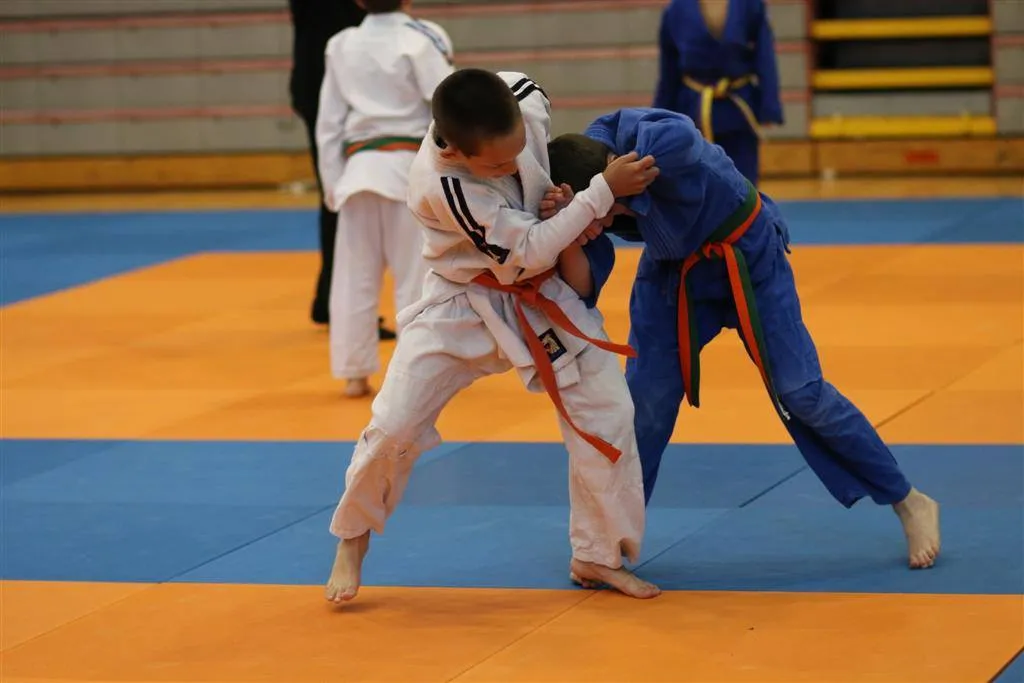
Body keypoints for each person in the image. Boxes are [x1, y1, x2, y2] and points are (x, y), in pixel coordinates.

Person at [544, 107, 942, 570]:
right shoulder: (587, 186)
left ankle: (908, 500)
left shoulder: (648, 152)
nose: (599, 225)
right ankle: (610, 535)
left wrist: (622, 174)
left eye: (601, 213)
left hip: (748, 255)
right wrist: (572, 224)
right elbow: (584, 283)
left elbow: (680, 133)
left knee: (801, 391)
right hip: (674, 274)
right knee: (644, 403)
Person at [324, 69, 663, 605]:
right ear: (455, 151)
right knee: (394, 425)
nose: (513, 166)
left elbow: (545, 182)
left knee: (609, 411)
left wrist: (568, 189)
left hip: (541, 296)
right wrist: (601, 192)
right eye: (497, 166)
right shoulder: (444, 184)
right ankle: (353, 534)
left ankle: (598, 553)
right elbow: (530, 249)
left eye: (518, 150)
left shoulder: (524, 98)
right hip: (463, 299)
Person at [316, 0, 455, 397]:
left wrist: (332, 183)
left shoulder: (341, 44)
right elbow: (448, 106)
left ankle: (354, 374)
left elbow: (329, 123)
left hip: (358, 172)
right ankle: (416, 372)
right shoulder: (423, 37)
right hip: (409, 170)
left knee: (353, 278)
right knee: (417, 277)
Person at [287, 0, 393, 338]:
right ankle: (344, 308)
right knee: (346, 203)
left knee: (339, 200)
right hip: (341, 88)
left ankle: (333, 302)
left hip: (326, 82)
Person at [652, 0, 783, 185]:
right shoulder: (676, 9)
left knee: (743, 185)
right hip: (693, 112)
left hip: (738, 110)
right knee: (697, 186)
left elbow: (765, 56)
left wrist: (769, 106)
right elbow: (669, 71)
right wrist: (660, 117)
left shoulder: (751, 5)